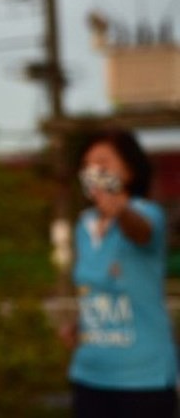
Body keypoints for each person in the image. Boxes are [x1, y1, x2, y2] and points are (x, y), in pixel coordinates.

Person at [67, 128, 177, 417]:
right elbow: (96, 291)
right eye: (87, 165)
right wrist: (79, 325)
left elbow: (140, 231)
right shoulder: (83, 226)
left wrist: (119, 208)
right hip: (89, 373)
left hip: (142, 379)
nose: (94, 171)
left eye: (103, 163)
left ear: (129, 170)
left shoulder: (147, 214)